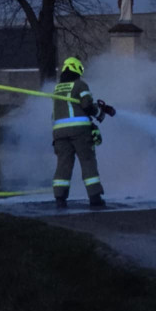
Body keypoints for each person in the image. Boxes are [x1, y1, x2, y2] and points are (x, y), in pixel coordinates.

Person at [51, 57, 115, 209]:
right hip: (79, 131)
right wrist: (98, 113)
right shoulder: (80, 84)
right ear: (76, 69)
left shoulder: (57, 88)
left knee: (63, 165)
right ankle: (95, 198)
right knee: (87, 162)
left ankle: (60, 199)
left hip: (59, 133)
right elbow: (86, 104)